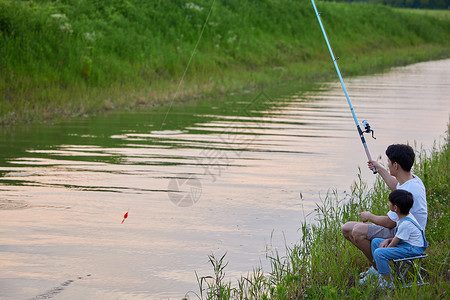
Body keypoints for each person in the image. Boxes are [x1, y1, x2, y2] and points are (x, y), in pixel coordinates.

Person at [341, 144, 427, 281]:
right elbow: (395, 186)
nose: (387, 164)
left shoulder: (410, 189)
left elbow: (389, 223)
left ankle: (379, 271)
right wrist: (379, 168)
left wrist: (369, 216)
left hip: (405, 234)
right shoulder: (412, 181)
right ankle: (378, 268)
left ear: (396, 165)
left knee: (357, 230)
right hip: (405, 229)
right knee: (346, 228)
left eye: (388, 162)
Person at [369, 189, 428, 289]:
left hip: (413, 248)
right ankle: (381, 273)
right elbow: (399, 237)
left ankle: (387, 282)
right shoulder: (404, 216)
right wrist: (387, 240)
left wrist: (384, 249)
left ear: (395, 208)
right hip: (406, 243)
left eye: (390, 202)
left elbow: (394, 243)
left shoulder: (406, 223)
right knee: (375, 241)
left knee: (379, 252)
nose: (388, 203)